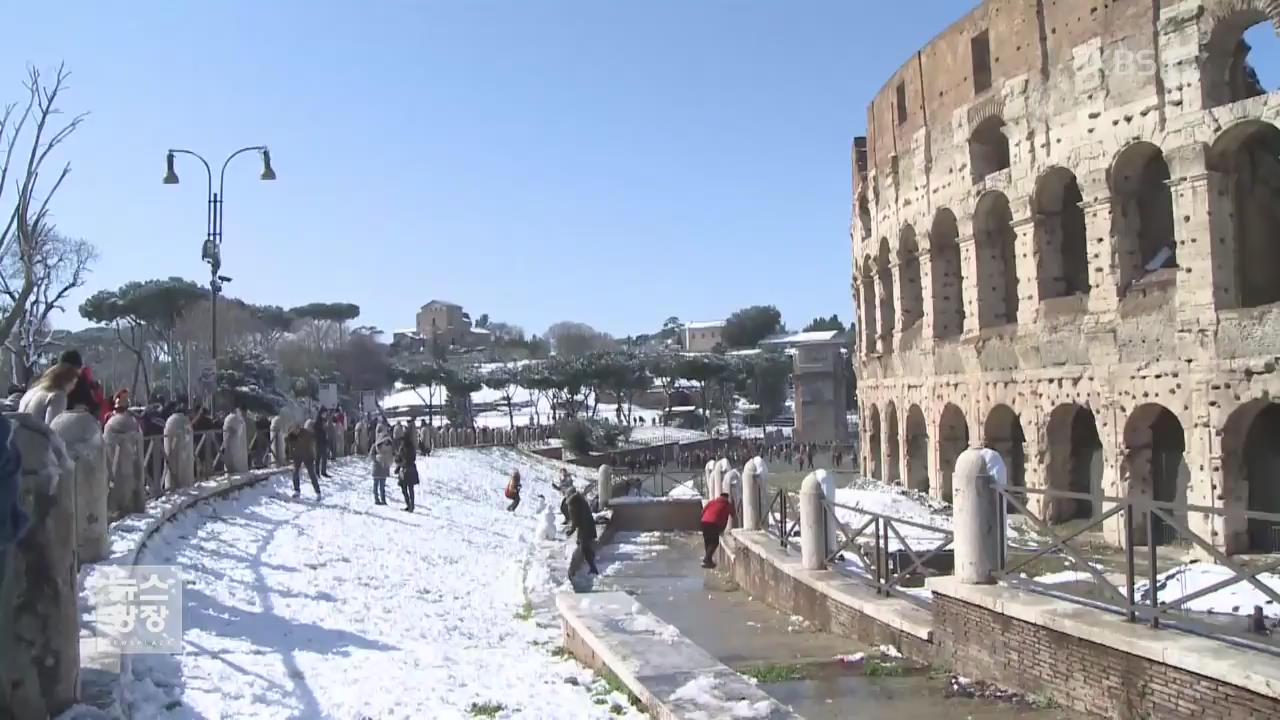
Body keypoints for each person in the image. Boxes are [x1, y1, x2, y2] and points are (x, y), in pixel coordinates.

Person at [18, 360, 80, 425]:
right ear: (64, 380)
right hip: (34, 434)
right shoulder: (58, 396)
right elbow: (53, 426)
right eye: (73, 382)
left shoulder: (33, 390)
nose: (73, 387)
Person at [564, 482, 599, 575]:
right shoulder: (580, 499)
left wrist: (571, 530)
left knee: (584, 548)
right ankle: (593, 563)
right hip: (589, 525)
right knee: (585, 545)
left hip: (584, 528)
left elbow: (575, 520)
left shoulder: (572, 503)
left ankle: (593, 568)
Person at [286, 422, 322, 499]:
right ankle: (297, 490)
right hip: (297, 456)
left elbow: (315, 438)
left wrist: (314, 452)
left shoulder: (306, 433)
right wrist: (289, 456)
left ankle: (318, 492)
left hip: (308, 456)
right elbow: (288, 446)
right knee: (295, 472)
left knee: (311, 473)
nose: (295, 432)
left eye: (296, 430)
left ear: (299, 428)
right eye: (293, 430)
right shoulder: (291, 436)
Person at [700, 491, 735, 569]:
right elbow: (733, 514)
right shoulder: (727, 505)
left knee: (708, 541)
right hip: (714, 524)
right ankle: (706, 560)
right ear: (727, 498)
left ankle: (708, 561)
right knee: (714, 542)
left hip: (704, 522)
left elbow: (703, 511)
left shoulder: (712, 502)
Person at [370, 421, 393, 505]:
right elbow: (372, 455)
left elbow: (371, 455)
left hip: (381, 467)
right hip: (381, 466)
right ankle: (379, 499)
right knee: (379, 485)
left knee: (380, 485)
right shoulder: (380, 445)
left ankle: (380, 499)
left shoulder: (377, 445)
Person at [395, 430, 418, 512]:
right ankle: (411, 505)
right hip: (411, 468)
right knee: (410, 488)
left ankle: (409, 505)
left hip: (405, 469)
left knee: (404, 488)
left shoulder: (402, 448)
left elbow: (399, 459)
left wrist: (398, 466)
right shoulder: (412, 447)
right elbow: (413, 458)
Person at [314, 409, 331, 478]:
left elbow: (325, 431)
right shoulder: (317, 422)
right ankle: (317, 472)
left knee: (324, 458)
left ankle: (323, 472)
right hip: (318, 441)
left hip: (324, 441)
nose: (325, 414)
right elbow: (317, 432)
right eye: (324, 413)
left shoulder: (324, 421)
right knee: (318, 458)